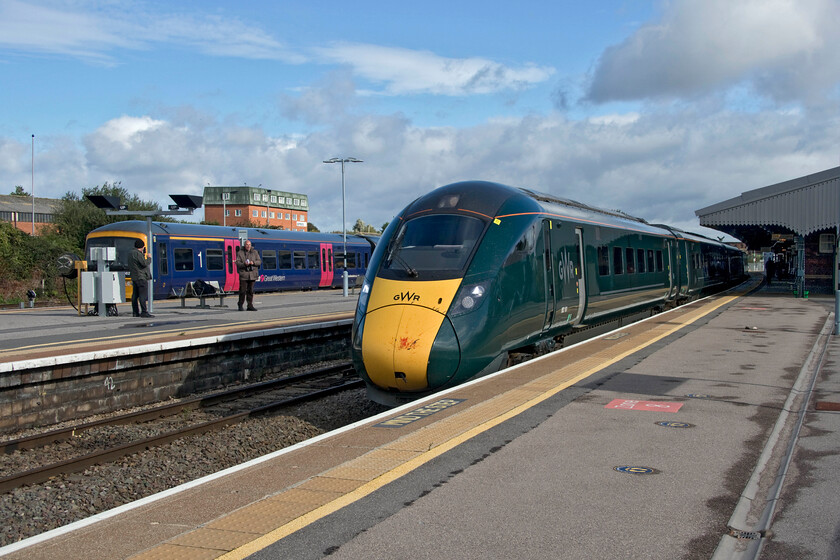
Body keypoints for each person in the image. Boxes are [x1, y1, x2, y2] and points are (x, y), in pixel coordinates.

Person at [128, 238, 154, 318]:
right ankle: (144, 312)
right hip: (141, 277)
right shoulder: (138, 254)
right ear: (142, 246)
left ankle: (135, 312)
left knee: (135, 296)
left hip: (134, 277)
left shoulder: (130, 253)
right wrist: (149, 258)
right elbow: (144, 263)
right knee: (142, 296)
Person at [236, 239, 261, 311]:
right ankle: (240, 304)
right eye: (247, 244)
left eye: (249, 244)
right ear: (244, 245)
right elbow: (237, 263)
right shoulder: (240, 253)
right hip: (244, 274)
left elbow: (259, 261)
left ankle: (250, 305)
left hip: (252, 274)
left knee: (250, 291)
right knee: (242, 291)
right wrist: (244, 264)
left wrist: (253, 262)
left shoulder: (255, 252)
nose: (248, 246)